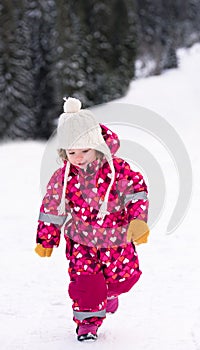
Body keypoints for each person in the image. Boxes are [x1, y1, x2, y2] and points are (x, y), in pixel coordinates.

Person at [35, 97, 150, 342]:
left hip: (115, 239)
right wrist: (46, 238)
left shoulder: (117, 169)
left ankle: (109, 295)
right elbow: (52, 207)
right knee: (86, 285)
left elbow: (136, 191)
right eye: (72, 152)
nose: (78, 157)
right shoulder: (63, 177)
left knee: (124, 279)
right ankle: (87, 324)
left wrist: (137, 220)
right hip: (81, 242)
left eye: (84, 150)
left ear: (97, 145)